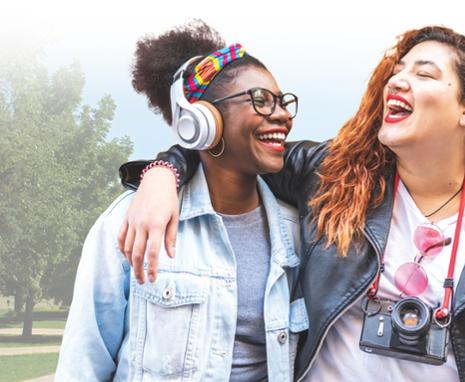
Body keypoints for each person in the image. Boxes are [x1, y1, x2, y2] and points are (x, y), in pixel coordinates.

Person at [118, 26, 465, 381]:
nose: (398, 80)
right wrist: (166, 170)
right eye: (400, 69)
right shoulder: (332, 175)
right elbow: (233, 148)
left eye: (424, 73)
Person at [55, 20, 307, 381]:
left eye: (283, 102)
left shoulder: (297, 230)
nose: (281, 115)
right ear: (203, 121)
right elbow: (83, 366)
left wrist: (164, 168)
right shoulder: (128, 221)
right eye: (261, 100)